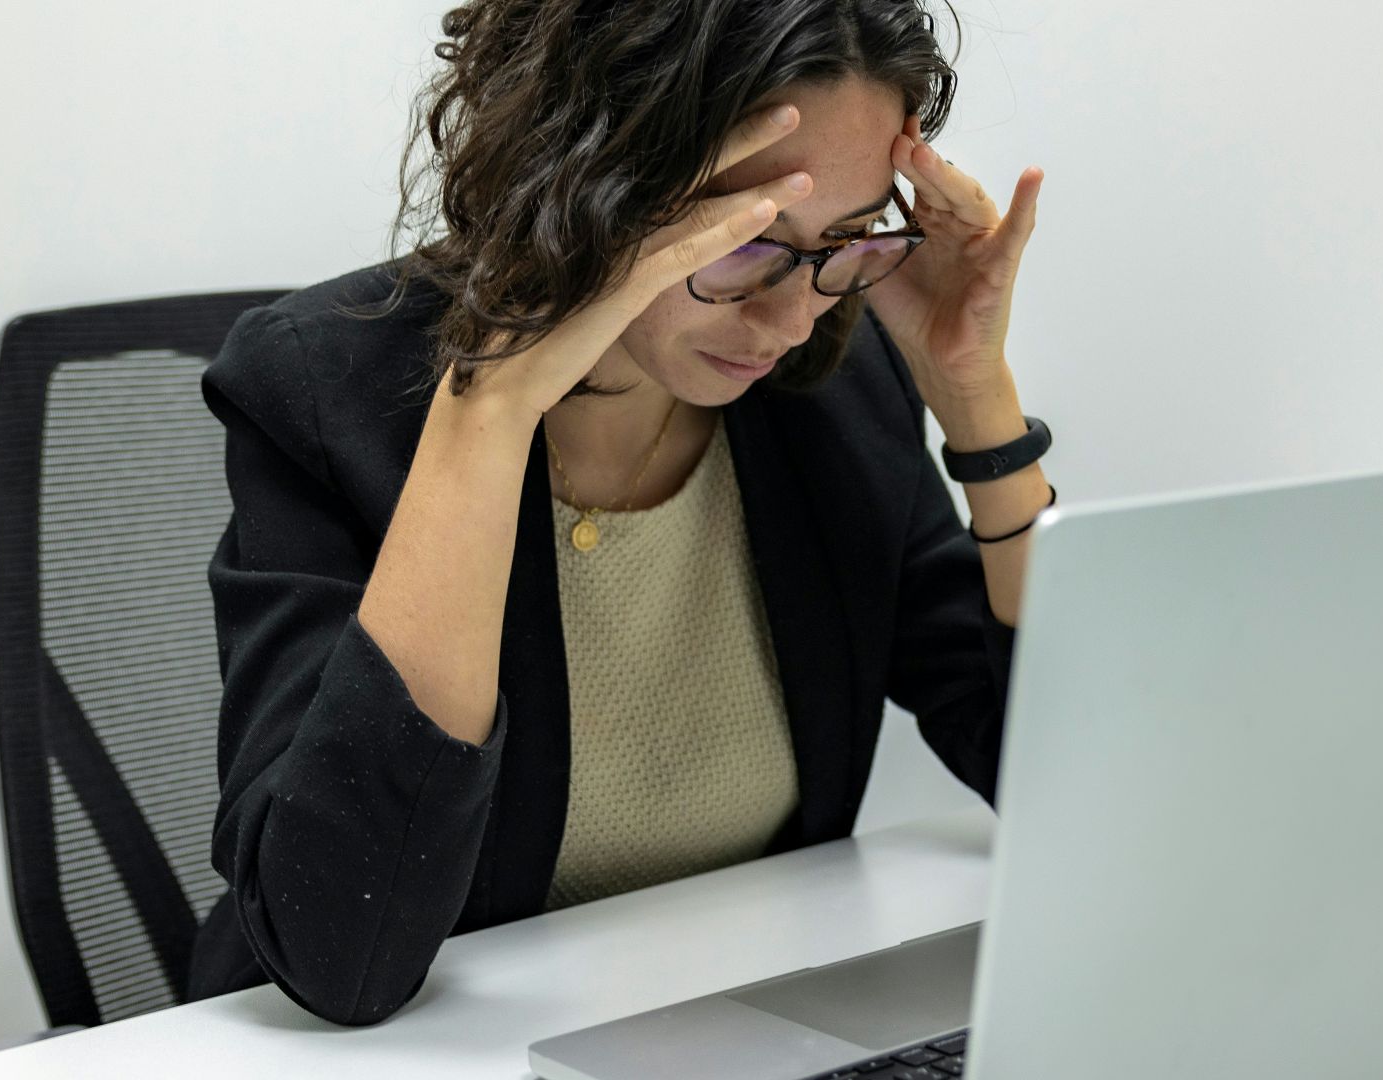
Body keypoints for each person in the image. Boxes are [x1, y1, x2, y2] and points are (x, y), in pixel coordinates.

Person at [186, 0, 1053, 1026]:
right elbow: (343, 955)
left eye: (850, 241)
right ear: (580, 181)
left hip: (723, 1032)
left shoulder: (831, 389)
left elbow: (1064, 782)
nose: (791, 315)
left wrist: (975, 402)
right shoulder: (325, 391)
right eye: (741, 244)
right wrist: (492, 407)